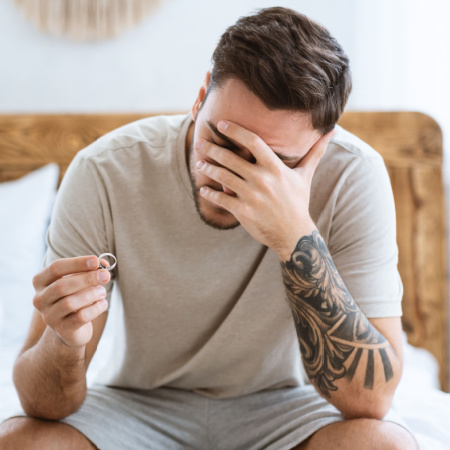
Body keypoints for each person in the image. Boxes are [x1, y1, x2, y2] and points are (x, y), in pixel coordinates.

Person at [0, 7, 418, 450]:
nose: (228, 176)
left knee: (383, 444)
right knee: (20, 441)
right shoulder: (106, 170)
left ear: (322, 144)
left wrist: (294, 235)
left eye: (272, 163)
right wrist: (65, 341)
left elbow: (371, 402)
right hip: (139, 407)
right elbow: (40, 403)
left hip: (282, 409)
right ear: (200, 96)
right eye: (221, 141)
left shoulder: (353, 175)